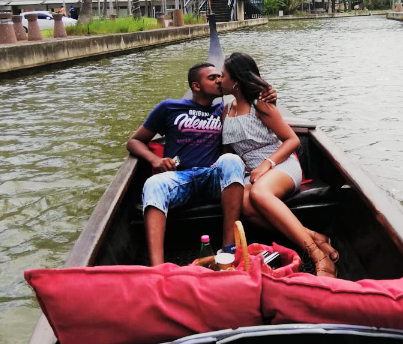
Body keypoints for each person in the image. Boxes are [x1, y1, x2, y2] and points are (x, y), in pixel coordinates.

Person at [126, 62, 277, 267]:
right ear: (196, 86)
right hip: (180, 179)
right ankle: (158, 268)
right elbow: (134, 141)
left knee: (231, 160)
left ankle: (229, 247)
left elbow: (250, 104)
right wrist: (155, 159)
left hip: (212, 176)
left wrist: (268, 93)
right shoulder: (169, 107)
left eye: (220, 76)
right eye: (212, 78)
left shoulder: (225, 110)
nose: (219, 80)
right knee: (153, 184)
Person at [220, 52, 339, 278]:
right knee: (242, 204)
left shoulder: (261, 105)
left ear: (235, 80)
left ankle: (317, 255)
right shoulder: (226, 111)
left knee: (260, 193)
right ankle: (314, 236)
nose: (220, 80)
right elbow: (229, 151)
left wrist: (267, 163)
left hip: (280, 165)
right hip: (252, 174)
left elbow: (292, 139)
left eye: (223, 76)